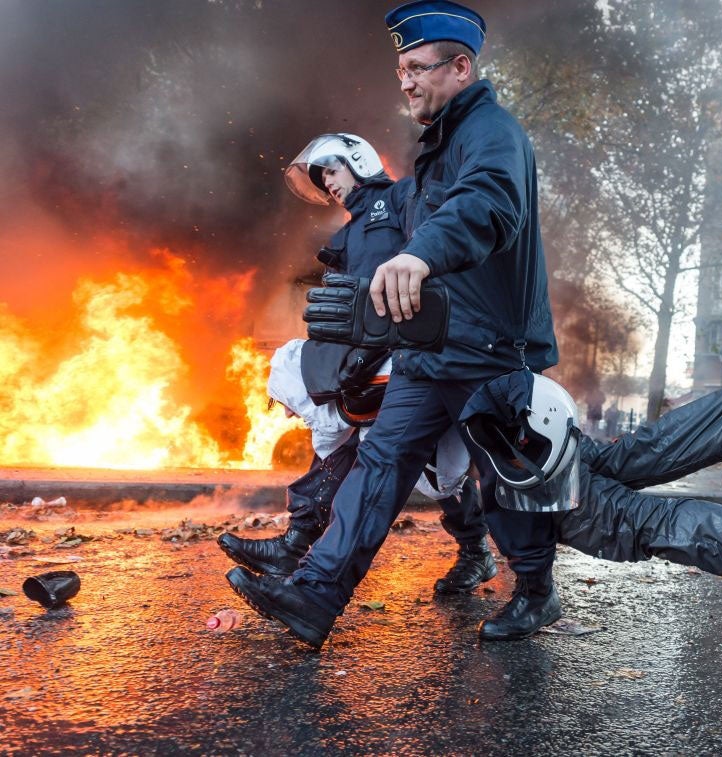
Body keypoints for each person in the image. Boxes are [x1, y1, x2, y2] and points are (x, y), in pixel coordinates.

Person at [227, 0, 562, 649]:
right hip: (431, 345)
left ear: (460, 67)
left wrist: (419, 255)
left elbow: (486, 203)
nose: (405, 82)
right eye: (400, 70)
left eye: (418, 68)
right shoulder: (438, 148)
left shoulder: (491, 133)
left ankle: (535, 589)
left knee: (498, 472)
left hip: (489, 347)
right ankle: (315, 594)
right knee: (379, 462)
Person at [218, 133, 495, 594]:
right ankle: (299, 542)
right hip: (371, 354)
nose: (328, 183)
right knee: (369, 436)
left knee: (427, 454)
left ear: (358, 160)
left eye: (332, 170)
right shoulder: (349, 232)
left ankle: (488, 555)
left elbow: (444, 249)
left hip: (417, 350)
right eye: (322, 178)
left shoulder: (403, 197)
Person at [460, 361, 722, 582]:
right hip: (516, 404)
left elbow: (436, 471)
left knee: (628, 520)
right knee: (642, 453)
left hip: (518, 440)